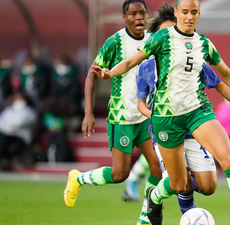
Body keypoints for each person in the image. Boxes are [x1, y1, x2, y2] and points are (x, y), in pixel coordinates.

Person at [92, 1, 230, 224]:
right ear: (177, 13)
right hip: (167, 119)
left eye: (194, 12)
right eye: (185, 12)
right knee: (179, 184)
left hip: (197, 112)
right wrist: (109, 73)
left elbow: (227, 77)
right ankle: (154, 197)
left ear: (199, 14)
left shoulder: (204, 44)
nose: (189, 17)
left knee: (227, 161)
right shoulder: (160, 40)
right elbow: (131, 62)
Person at [133, 4, 230, 223]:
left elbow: (219, 83)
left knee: (209, 186)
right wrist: (154, 115)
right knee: (181, 183)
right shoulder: (145, 67)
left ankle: (174, 188)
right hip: (165, 128)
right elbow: (140, 102)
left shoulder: (191, 56)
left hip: (193, 128)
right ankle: (169, 203)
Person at [63, 0, 163, 211]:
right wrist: (88, 112)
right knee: (119, 174)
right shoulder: (114, 42)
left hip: (145, 115)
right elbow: (92, 76)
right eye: (133, 14)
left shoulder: (153, 40)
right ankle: (78, 179)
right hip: (122, 117)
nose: (138, 18)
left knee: (157, 167)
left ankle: (146, 216)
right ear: (124, 18)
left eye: (142, 13)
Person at [0, 92, 36, 170]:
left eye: (20, 98)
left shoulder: (29, 112)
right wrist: (9, 128)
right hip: (6, 135)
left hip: (21, 137)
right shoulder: (8, 111)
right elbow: (1, 123)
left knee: (7, 141)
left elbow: (20, 122)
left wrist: (10, 126)